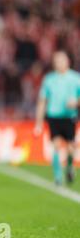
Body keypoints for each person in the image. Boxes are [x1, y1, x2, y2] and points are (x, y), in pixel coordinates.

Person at [34, 50, 80, 185]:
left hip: (69, 116)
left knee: (71, 147)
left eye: (62, 60)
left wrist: (76, 102)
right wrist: (39, 122)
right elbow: (42, 101)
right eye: (57, 60)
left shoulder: (75, 78)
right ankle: (58, 177)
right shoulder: (49, 79)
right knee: (55, 145)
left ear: (68, 61)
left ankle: (70, 166)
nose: (59, 63)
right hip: (53, 116)